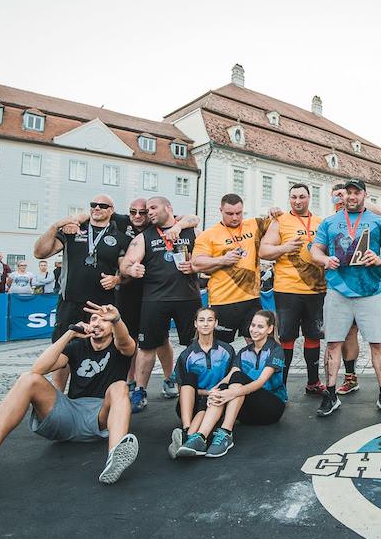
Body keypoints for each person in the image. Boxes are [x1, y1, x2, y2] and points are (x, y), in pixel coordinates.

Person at [0, 302, 139, 484]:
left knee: (120, 386)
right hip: (69, 415)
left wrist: (117, 320)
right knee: (28, 379)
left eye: (104, 320)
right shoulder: (77, 346)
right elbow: (39, 369)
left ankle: (115, 456)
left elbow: (125, 343)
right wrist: (69, 334)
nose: (98, 323)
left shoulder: (119, 346)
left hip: (100, 416)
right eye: (94, 318)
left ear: (112, 327)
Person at [309, 179, 381, 418]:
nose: (351, 196)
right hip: (338, 291)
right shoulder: (329, 222)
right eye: (347, 193)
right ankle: (330, 394)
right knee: (333, 343)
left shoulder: (378, 221)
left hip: (370, 292)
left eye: (356, 192)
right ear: (342, 196)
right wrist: (324, 260)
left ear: (364, 195)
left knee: (377, 343)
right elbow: (315, 250)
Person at [102, 197, 199, 399]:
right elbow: (126, 263)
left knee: (194, 345)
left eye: (153, 208)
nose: (150, 212)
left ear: (169, 208)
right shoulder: (145, 236)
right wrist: (132, 268)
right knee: (146, 347)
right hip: (155, 299)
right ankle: (140, 390)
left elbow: (205, 254)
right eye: (148, 210)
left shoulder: (189, 231)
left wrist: (196, 265)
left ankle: (194, 388)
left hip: (187, 298)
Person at [34, 195, 126, 394]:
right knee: (64, 347)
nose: (97, 208)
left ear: (111, 210)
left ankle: (99, 394)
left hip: (101, 306)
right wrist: (56, 226)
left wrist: (117, 279)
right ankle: (58, 395)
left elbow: (125, 270)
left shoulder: (119, 236)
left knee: (102, 349)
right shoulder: (72, 230)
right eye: (93, 205)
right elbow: (40, 253)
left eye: (103, 206)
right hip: (71, 302)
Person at [258, 183, 327, 394]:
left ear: (309, 198)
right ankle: (282, 385)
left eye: (302, 197)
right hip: (287, 290)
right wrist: (284, 248)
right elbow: (263, 250)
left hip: (316, 289)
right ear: (289, 199)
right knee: (287, 337)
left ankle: (313, 382)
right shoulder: (280, 221)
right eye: (294, 197)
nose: (298, 201)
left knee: (314, 335)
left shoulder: (321, 222)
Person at [192, 194, 275, 344]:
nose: (235, 218)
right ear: (221, 211)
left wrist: (275, 212)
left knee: (258, 343)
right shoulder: (209, 234)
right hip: (223, 300)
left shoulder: (254, 224)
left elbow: (277, 224)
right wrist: (223, 260)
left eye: (239, 213)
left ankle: (254, 368)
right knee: (221, 347)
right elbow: (197, 263)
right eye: (230, 214)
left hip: (251, 299)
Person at [328, 182, 381, 396]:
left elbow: (378, 212)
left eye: (348, 194)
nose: (341, 198)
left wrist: (353, 197)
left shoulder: (370, 215)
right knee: (346, 334)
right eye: (337, 196)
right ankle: (350, 377)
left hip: (369, 284)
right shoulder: (332, 219)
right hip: (341, 286)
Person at [169, 307, 237, 458]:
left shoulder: (227, 350)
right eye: (201, 320)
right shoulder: (187, 354)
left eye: (210, 320)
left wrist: (214, 393)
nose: (205, 324)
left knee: (224, 386)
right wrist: (207, 392)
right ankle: (187, 429)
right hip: (192, 404)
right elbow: (183, 388)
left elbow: (233, 382)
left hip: (218, 403)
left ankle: (187, 438)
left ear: (216, 323)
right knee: (189, 378)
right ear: (195, 324)